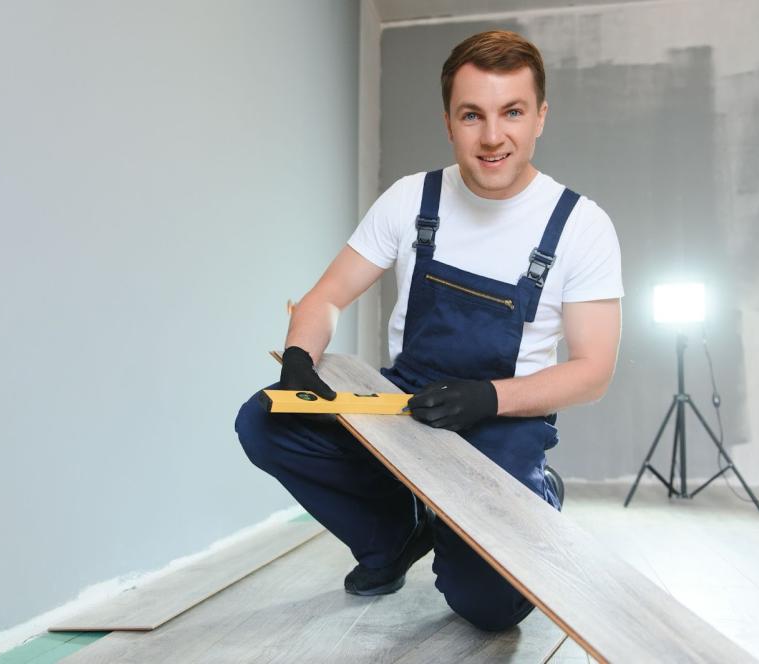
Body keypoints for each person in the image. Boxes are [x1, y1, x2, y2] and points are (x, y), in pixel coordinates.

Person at [235, 30, 622, 631]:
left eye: (512, 112)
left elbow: (592, 371)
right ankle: (395, 535)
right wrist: (298, 361)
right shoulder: (413, 200)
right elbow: (324, 298)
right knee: (264, 420)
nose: (493, 137)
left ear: (540, 116)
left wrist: (487, 396)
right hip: (406, 407)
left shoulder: (580, 226)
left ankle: (536, 495)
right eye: (473, 115)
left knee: (488, 609)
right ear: (449, 121)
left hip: (503, 424)